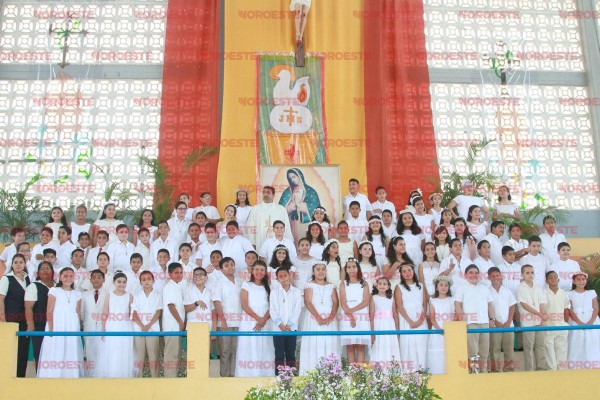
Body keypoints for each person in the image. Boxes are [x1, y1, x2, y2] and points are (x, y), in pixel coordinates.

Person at [37, 267, 84, 378]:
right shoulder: (54, 290)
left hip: (71, 325)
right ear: (60, 277)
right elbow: (49, 311)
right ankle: (52, 375)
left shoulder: (77, 293)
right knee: (56, 349)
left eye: (71, 276)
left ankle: (70, 375)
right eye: (65, 276)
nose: (68, 278)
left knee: (70, 348)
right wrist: (51, 329)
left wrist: (78, 328)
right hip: (57, 324)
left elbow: (77, 312)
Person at [299, 261, 340, 375]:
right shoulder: (309, 285)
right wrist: (318, 317)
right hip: (314, 319)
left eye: (323, 269)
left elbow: (336, 302)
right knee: (314, 342)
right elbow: (308, 302)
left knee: (329, 343)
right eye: (318, 269)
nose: (321, 271)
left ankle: (331, 372)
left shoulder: (331, 286)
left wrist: (331, 317)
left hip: (329, 320)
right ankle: (312, 371)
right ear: (313, 272)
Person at [236, 260, 274, 377]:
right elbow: (245, 305)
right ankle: (247, 375)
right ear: (252, 271)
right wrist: (258, 319)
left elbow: (272, 306)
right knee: (248, 346)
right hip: (250, 320)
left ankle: (264, 374)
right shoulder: (246, 285)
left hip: (265, 321)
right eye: (257, 269)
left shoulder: (269, 287)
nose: (259, 272)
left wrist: (263, 320)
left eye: (262, 270)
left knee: (264, 347)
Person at [454, 264, 495, 373]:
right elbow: (458, 305)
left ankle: (484, 372)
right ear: (465, 275)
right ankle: (474, 372)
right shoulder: (461, 288)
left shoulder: (484, 288)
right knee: (473, 352)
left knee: (485, 351)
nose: (474, 275)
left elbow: (490, 305)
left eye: (476, 273)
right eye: (471, 272)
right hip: (471, 323)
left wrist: (492, 319)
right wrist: (463, 321)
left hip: (484, 323)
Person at [95, 272, 136, 378]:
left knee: (124, 351)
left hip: (126, 327)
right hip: (111, 327)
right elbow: (105, 313)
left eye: (124, 282)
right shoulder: (109, 296)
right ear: (114, 282)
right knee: (112, 351)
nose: (121, 284)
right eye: (119, 282)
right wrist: (103, 330)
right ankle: (111, 375)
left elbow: (132, 313)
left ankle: (123, 376)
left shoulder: (130, 296)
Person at [0, 254, 31, 376]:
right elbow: (1, 299)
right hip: (10, 320)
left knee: (23, 350)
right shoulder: (6, 279)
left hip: (24, 320)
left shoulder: (28, 279)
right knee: (10, 351)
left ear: (24, 264)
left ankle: (20, 377)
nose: (18, 264)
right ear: (11, 265)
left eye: (21, 262)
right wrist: (2, 319)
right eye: (16, 262)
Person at [395, 263, 427, 371]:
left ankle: (422, 369)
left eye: (409, 270)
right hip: (406, 319)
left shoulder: (421, 286)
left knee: (421, 343)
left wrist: (421, 320)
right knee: (409, 344)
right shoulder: (399, 287)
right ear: (401, 274)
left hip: (420, 319)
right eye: (404, 271)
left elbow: (424, 304)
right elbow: (399, 306)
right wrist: (410, 321)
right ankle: (410, 372)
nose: (407, 273)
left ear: (413, 271)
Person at [213, 257, 242, 377]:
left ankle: (233, 376)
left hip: (239, 322)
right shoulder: (219, 284)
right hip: (225, 323)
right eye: (226, 265)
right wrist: (223, 320)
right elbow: (216, 302)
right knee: (225, 351)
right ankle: (224, 377)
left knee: (235, 351)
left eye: (232, 264)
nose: (230, 267)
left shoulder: (240, 282)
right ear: (221, 269)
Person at [269, 267, 302, 375]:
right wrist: (280, 324)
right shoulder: (274, 292)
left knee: (291, 354)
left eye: (285, 275)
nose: (283, 278)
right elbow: (272, 310)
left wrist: (289, 324)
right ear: (277, 279)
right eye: (280, 276)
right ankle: (279, 378)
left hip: (291, 329)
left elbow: (297, 309)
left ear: (289, 275)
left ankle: (290, 378)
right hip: (278, 329)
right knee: (279, 354)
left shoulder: (296, 292)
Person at [517, 264, 548, 371]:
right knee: (529, 347)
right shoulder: (520, 288)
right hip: (527, 322)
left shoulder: (538, 287)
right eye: (527, 273)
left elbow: (542, 302)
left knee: (540, 345)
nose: (530, 275)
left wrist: (543, 316)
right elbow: (524, 304)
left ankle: (541, 368)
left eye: (532, 272)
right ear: (522, 275)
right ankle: (529, 369)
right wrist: (539, 314)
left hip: (539, 321)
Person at [339, 259, 370, 364]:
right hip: (347, 314)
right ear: (346, 270)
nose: (352, 269)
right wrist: (351, 316)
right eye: (349, 267)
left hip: (361, 313)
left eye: (354, 267)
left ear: (358, 268)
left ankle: (360, 371)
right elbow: (343, 302)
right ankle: (352, 371)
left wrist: (353, 310)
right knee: (350, 345)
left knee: (361, 345)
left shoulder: (364, 283)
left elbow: (366, 301)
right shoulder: (343, 284)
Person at [25, 261, 55, 369]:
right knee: (40, 353)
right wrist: (30, 325)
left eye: (48, 268)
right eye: (43, 268)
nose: (45, 270)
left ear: (52, 272)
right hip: (39, 325)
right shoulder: (33, 286)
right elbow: (28, 307)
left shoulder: (57, 286)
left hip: (55, 326)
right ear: (38, 272)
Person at [567, 271, 600, 370]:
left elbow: (596, 308)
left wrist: (590, 322)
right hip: (576, 321)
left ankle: (594, 363)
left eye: (583, 279)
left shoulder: (591, 293)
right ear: (574, 281)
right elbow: (570, 310)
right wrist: (579, 322)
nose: (581, 281)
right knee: (576, 341)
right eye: (578, 279)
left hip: (591, 320)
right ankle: (576, 364)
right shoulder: (569, 294)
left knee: (592, 340)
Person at [279, 168, 321, 243]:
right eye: (290, 178)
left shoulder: (310, 191)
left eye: (294, 177)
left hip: (304, 223)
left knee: (303, 239)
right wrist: (290, 208)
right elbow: (281, 208)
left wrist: (302, 206)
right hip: (291, 221)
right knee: (293, 240)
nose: (292, 180)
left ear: (299, 176)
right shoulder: (288, 191)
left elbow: (315, 207)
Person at [132, 270, 162, 377]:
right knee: (139, 357)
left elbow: (158, 312)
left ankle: (155, 379)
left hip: (152, 329)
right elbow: (134, 313)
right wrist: (142, 326)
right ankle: (139, 379)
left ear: (153, 280)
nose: (146, 282)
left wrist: (148, 326)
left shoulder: (158, 295)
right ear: (140, 282)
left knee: (153, 357)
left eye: (149, 279)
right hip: (138, 330)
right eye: (143, 280)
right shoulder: (136, 295)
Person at [487, 267, 516, 372]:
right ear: (489, 277)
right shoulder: (487, 291)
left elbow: (512, 306)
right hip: (495, 326)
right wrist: (494, 321)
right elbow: (486, 308)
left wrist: (508, 321)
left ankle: (509, 369)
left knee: (509, 349)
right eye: (493, 276)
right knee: (495, 350)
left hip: (508, 325)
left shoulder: (507, 291)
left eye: (497, 275)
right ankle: (495, 370)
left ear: (501, 276)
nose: (495, 278)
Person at [248, 186, 294, 251]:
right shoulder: (255, 209)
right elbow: (251, 226)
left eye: (268, 193)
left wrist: (287, 241)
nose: (265, 194)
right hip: (260, 241)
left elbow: (286, 226)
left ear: (273, 195)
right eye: (264, 193)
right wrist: (252, 242)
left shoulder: (281, 209)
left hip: (278, 241)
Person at [80, 269, 107, 377]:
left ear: (104, 280)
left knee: (102, 352)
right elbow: (81, 312)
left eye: (99, 277)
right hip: (89, 327)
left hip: (103, 328)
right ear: (90, 280)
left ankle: (102, 375)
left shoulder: (108, 294)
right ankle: (90, 376)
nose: (96, 279)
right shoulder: (84, 295)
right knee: (89, 353)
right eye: (94, 277)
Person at [369, 276, 400, 369]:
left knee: (390, 346)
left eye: (384, 284)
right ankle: (378, 370)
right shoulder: (373, 297)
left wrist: (397, 331)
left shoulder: (391, 298)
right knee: (379, 345)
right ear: (376, 286)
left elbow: (395, 315)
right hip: (378, 325)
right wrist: (372, 332)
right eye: (379, 284)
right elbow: (371, 315)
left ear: (388, 286)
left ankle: (392, 369)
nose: (382, 286)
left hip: (390, 325)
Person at [427, 275, 455, 374]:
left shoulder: (452, 300)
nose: (443, 287)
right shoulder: (433, 301)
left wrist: (450, 329)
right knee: (437, 352)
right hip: (437, 330)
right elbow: (432, 318)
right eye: (441, 285)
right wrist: (439, 330)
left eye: (446, 285)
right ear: (437, 287)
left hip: (450, 330)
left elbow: (455, 315)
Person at [162, 262, 186, 377]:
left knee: (176, 355)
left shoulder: (177, 286)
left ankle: (173, 380)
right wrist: (181, 322)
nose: (179, 275)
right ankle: (169, 382)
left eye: (181, 273)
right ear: (170, 274)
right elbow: (171, 306)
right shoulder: (170, 287)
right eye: (176, 273)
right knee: (171, 356)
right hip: (172, 326)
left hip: (176, 327)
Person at [544, 271, 570, 370]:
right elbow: (541, 309)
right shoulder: (543, 293)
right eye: (550, 278)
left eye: (555, 277)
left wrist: (565, 323)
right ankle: (552, 371)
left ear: (558, 279)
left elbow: (566, 309)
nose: (553, 279)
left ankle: (562, 371)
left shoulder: (563, 293)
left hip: (561, 325)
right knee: (549, 349)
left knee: (562, 349)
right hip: (548, 325)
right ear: (546, 281)